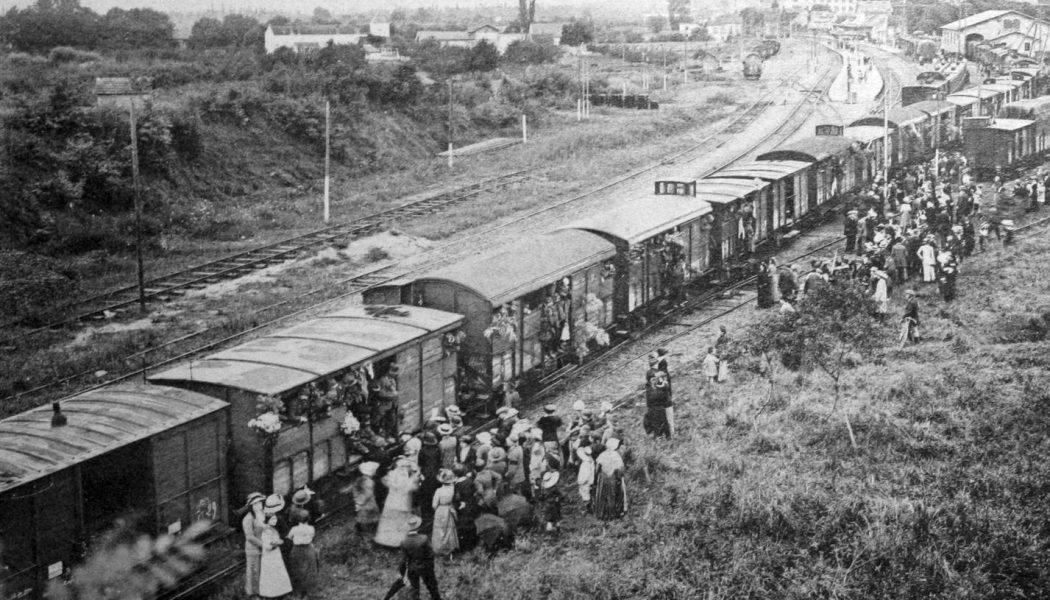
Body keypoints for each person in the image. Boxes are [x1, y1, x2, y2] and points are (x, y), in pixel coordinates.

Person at [382, 516, 442, 600]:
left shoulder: (404, 542)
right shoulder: (424, 538)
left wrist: (402, 572)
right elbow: (431, 555)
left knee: (414, 590)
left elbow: (404, 559)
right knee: (432, 588)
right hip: (425, 567)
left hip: (412, 568)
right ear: (418, 526)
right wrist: (431, 568)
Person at [375, 458, 420, 548]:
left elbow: (386, 483)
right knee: (400, 520)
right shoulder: (404, 477)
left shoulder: (391, 474)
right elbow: (410, 488)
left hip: (391, 500)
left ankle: (385, 539)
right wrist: (415, 477)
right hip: (402, 501)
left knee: (389, 520)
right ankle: (397, 540)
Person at [286, 510, 319, 597]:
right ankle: (309, 590)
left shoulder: (294, 529)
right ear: (308, 519)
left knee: (298, 568)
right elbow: (312, 536)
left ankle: (300, 590)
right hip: (308, 548)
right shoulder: (311, 528)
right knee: (309, 568)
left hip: (296, 549)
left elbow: (289, 537)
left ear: (298, 520)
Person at [593, 438, 627, 520]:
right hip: (613, 477)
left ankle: (602, 514)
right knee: (613, 494)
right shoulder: (616, 455)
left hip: (603, 477)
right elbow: (621, 468)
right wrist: (621, 476)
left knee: (603, 494)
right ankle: (613, 514)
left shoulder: (602, 454)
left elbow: (597, 468)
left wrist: (596, 477)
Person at [259, 516, 293, 599]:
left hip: (276, 555)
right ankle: (273, 593)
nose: (275, 521)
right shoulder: (265, 531)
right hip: (269, 557)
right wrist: (277, 543)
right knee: (272, 574)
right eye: (272, 519)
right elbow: (267, 547)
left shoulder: (272, 529)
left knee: (279, 572)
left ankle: (281, 591)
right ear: (267, 520)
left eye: (275, 519)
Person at [242, 492, 266, 599]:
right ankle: (253, 594)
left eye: (260, 503)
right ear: (251, 506)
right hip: (253, 549)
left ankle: (262, 591)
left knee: (262, 570)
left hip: (263, 547)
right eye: (255, 504)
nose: (258, 506)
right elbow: (250, 537)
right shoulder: (248, 519)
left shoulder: (263, 514)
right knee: (254, 571)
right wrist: (263, 545)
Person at [430, 469, 459, 556]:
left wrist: (437, 509)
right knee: (449, 529)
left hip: (440, 510)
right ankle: (449, 548)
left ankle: (439, 548)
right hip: (449, 509)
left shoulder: (439, 491)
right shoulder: (453, 489)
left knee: (439, 529)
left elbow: (434, 505)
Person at [347, 461, 380, 535]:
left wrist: (358, 502)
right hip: (368, 504)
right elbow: (367, 494)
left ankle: (361, 531)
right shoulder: (368, 482)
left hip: (365, 503)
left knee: (364, 518)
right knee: (369, 519)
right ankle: (366, 532)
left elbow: (359, 491)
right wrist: (360, 503)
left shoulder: (362, 479)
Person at [643, 371, 672, 439]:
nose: (654, 381)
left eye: (655, 379)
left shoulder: (657, 386)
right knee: (657, 427)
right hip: (654, 411)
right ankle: (659, 438)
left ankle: (667, 438)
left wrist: (663, 386)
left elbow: (665, 397)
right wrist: (662, 387)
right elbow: (655, 397)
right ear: (650, 380)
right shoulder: (649, 388)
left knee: (664, 426)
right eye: (653, 379)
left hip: (660, 409)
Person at [576, 446, 595, 512]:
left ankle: (588, 509)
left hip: (585, 481)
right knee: (587, 493)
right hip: (589, 480)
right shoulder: (591, 460)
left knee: (585, 495)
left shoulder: (585, 463)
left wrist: (581, 481)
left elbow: (586, 474)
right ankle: (589, 507)